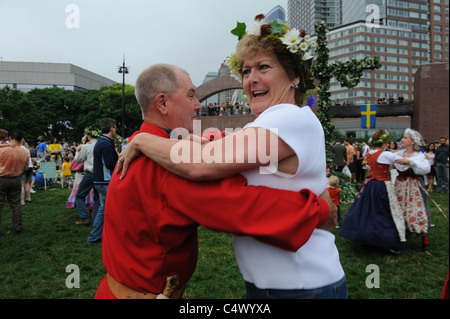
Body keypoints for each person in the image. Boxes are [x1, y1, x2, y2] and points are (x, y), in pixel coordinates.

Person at [116, 16, 346, 299]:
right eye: (247, 71)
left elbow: (204, 165)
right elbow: (218, 149)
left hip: (299, 284)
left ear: (294, 75)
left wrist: (142, 138)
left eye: (263, 67)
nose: (251, 79)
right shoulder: (279, 119)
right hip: (283, 283)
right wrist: (320, 208)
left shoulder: (288, 116)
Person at [339, 130, 406, 254]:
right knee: (385, 211)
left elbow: (369, 168)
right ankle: (388, 240)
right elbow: (401, 160)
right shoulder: (384, 154)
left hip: (370, 184)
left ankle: (366, 237)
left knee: (367, 210)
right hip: (382, 184)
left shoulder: (369, 153)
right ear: (384, 142)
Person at [394, 129, 432, 255]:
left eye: (405, 138)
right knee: (399, 211)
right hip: (400, 186)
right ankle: (399, 239)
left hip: (414, 186)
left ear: (412, 142)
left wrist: (410, 162)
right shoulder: (398, 153)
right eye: (402, 138)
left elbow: (426, 169)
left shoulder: (419, 156)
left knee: (417, 211)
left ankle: (424, 239)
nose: (402, 140)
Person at [88, 119, 117, 243]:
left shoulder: (101, 142)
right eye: (115, 127)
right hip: (105, 180)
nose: (115, 129)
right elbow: (110, 164)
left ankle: (100, 234)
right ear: (111, 128)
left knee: (102, 207)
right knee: (104, 208)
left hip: (100, 180)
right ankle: (94, 236)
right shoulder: (106, 143)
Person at [0, 130, 30, 234]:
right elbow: (26, 168)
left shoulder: (2, 149)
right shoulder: (25, 152)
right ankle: (17, 227)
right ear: (21, 140)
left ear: (9, 138)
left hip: (2, 179)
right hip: (16, 179)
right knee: (16, 204)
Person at [73, 131, 99, 226]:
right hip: (99, 174)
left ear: (88, 136)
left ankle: (84, 218)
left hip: (89, 173)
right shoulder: (100, 145)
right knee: (97, 198)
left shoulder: (87, 146)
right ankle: (97, 219)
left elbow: (78, 160)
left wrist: (77, 151)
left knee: (80, 196)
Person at [20, 139, 33, 205]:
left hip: (24, 166)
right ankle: (29, 198)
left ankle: (22, 201)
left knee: (22, 185)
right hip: (30, 166)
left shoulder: (20, 148)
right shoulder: (26, 149)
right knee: (27, 183)